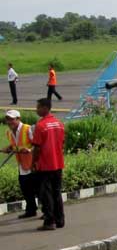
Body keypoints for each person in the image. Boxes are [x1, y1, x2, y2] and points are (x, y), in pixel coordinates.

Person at [31, 98, 65, 231]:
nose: (36, 109)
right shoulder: (59, 123)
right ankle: (60, 220)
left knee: (46, 194)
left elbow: (37, 148)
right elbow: (62, 143)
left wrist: (34, 163)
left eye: (38, 107)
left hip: (45, 165)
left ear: (45, 108)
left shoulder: (41, 126)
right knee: (57, 192)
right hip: (58, 163)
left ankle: (49, 221)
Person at [3, 110, 39, 219]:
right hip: (22, 164)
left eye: (12, 119)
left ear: (18, 119)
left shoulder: (28, 129)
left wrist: (29, 150)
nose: (10, 122)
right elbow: (16, 145)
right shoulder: (9, 132)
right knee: (25, 189)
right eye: (8, 119)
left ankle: (47, 212)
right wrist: (9, 148)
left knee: (39, 189)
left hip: (33, 164)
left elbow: (37, 145)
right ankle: (31, 210)